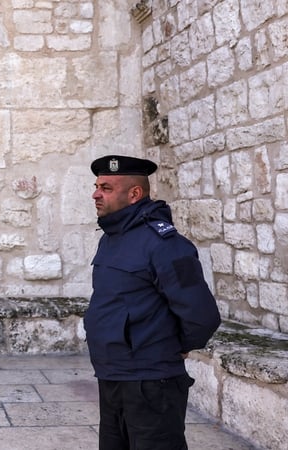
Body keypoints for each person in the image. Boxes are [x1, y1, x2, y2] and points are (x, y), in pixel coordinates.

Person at [85, 154, 221, 450]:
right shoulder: (110, 237)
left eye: (106, 188)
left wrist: (175, 346)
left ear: (134, 194)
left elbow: (202, 315)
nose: (96, 193)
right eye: (97, 186)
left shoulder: (165, 244)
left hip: (151, 382)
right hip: (112, 375)